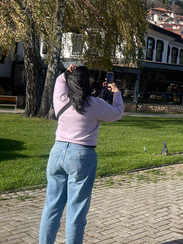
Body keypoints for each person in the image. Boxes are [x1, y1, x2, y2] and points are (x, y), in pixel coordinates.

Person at [39, 65, 124, 244]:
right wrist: (116, 92)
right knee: (76, 211)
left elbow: (59, 81)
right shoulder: (95, 104)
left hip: (57, 153)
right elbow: (117, 113)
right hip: (82, 157)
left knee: (51, 207)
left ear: (70, 82)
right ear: (87, 83)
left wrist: (66, 72)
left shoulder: (60, 98)